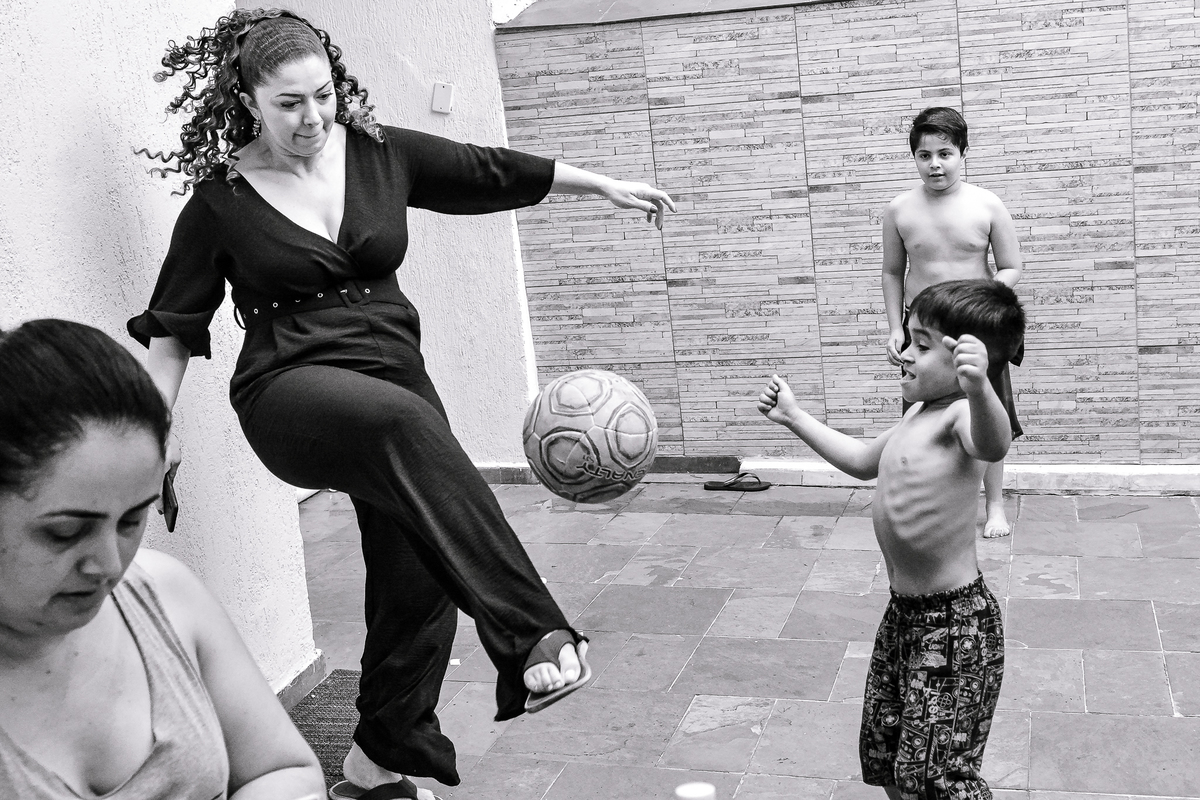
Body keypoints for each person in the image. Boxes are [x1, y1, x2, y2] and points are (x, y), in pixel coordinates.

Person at [128, 8, 676, 798]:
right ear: (249, 101)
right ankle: (531, 632)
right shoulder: (220, 202)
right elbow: (173, 331)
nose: (312, 117)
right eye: (288, 104)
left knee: (416, 566)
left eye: (322, 96)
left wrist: (601, 186)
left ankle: (380, 754)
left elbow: (486, 169)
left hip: (394, 378)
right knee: (406, 424)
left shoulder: (379, 154)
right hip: (290, 387)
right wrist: (154, 424)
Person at [0, 318, 325, 800]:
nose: (111, 565)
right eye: (65, 532)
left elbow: (284, 771)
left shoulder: (164, 595)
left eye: (132, 521)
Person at [758, 280, 1024, 800]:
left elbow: (995, 444)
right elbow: (861, 461)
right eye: (909, 339)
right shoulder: (915, 415)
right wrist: (794, 416)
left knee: (939, 776)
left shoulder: (960, 417)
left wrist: (980, 389)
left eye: (922, 346)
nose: (904, 354)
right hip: (904, 616)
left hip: (954, 628)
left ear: (969, 362)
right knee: (889, 759)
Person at [880, 107, 1024, 538]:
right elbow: (891, 272)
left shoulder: (986, 204)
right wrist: (894, 328)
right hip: (922, 330)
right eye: (925, 155)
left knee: (987, 414)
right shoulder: (899, 209)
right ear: (915, 158)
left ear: (962, 152)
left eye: (945, 153)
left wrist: (980, 303)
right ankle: (930, 500)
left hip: (974, 327)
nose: (935, 164)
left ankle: (995, 505)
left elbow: (1011, 266)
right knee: (922, 413)